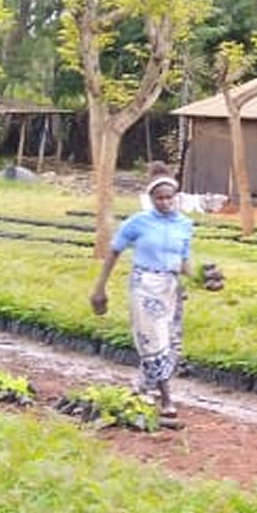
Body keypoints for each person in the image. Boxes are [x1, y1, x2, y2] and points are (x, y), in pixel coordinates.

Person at [89, 164, 194, 418]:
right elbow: (114, 251)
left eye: (169, 198)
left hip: (171, 287)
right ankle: (167, 400)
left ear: (176, 197)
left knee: (171, 343)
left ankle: (143, 388)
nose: (165, 202)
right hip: (144, 285)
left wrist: (199, 280)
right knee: (153, 339)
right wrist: (99, 288)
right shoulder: (138, 222)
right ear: (151, 199)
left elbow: (184, 261)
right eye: (160, 198)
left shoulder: (184, 224)